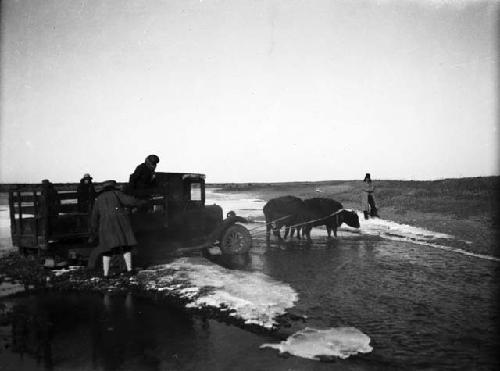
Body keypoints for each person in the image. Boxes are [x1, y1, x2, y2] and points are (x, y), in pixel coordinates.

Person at [87, 180, 147, 277]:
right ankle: (129, 270)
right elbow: (130, 201)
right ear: (113, 187)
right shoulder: (117, 194)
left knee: (106, 250)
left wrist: (93, 230)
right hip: (120, 224)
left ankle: (106, 274)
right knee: (125, 246)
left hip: (105, 226)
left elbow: (94, 216)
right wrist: (142, 202)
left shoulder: (99, 199)